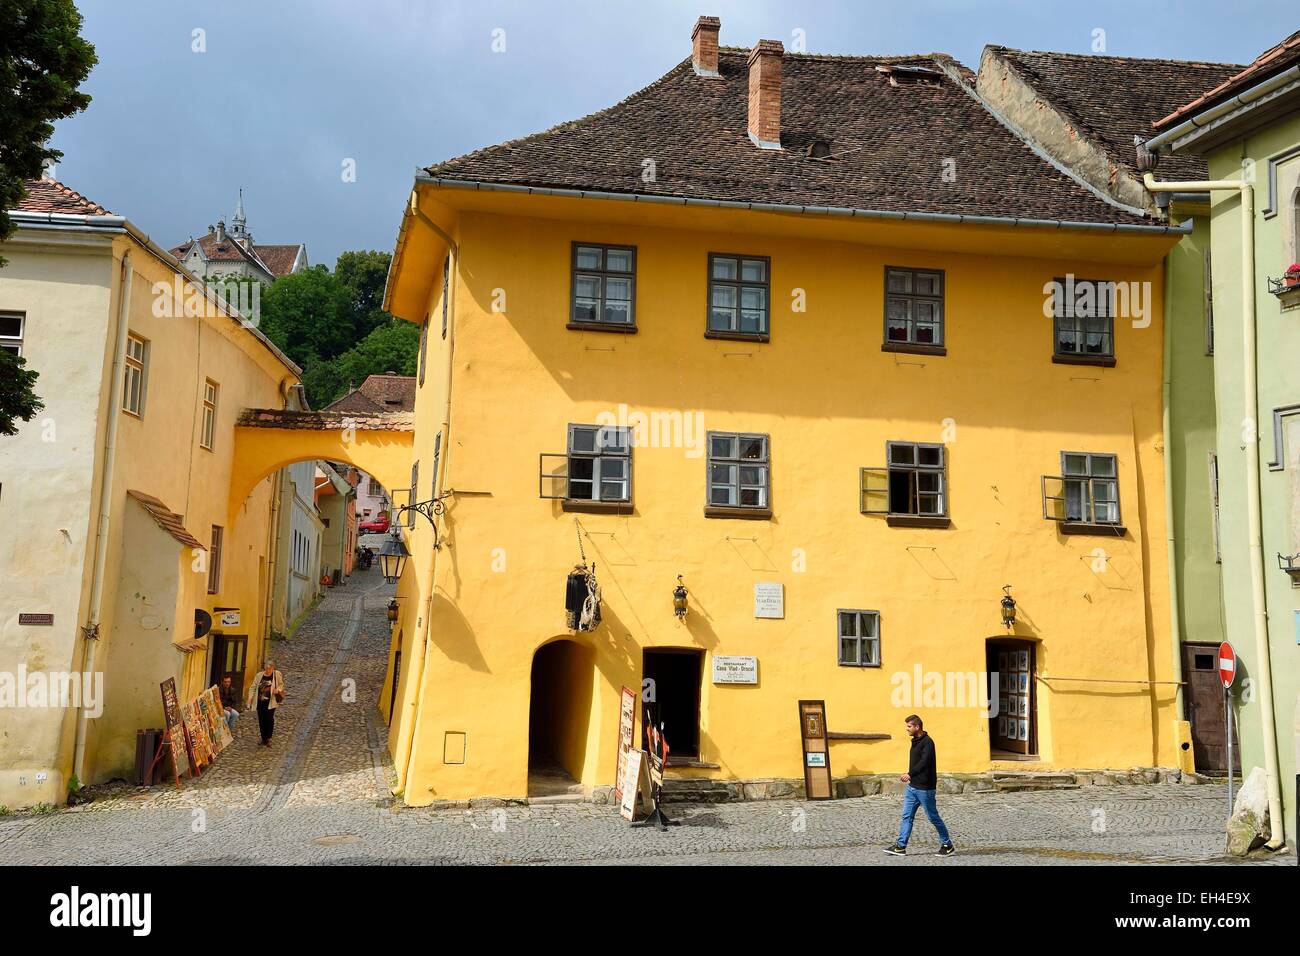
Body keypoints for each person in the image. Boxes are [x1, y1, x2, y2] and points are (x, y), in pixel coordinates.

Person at [884, 714, 955, 857]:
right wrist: (912, 778)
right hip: (912, 787)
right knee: (906, 816)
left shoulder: (928, 742)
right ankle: (901, 846)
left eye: (909, 726)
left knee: (933, 817)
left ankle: (947, 845)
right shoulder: (915, 741)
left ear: (917, 727)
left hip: (925, 788)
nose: (907, 729)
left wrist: (910, 774)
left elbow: (924, 762)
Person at [246, 661, 284, 747]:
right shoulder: (259, 675)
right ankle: (263, 738)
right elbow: (253, 687)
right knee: (261, 720)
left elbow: (281, 685)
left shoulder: (276, 674)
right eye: (266, 669)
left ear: (273, 668)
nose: (268, 671)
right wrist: (250, 698)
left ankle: (269, 738)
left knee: (270, 719)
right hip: (260, 702)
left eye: (270, 669)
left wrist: (277, 689)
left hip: (271, 702)